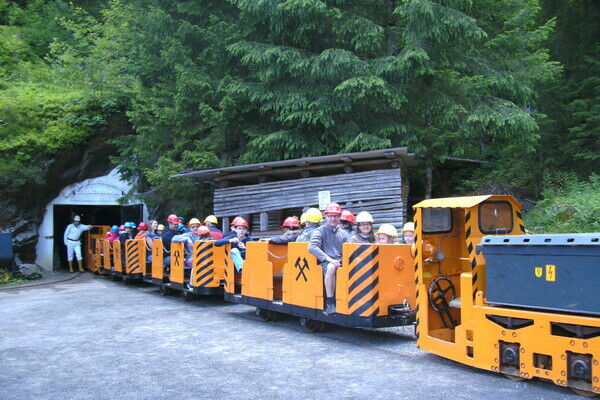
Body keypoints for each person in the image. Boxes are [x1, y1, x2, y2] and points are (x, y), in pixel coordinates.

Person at [308, 203, 348, 314]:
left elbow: (349, 248)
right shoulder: (320, 231)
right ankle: (330, 302)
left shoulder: (343, 234)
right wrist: (329, 259)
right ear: (326, 216)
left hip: (339, 262)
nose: (333, 219)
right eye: (330, 216)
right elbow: (312, 247)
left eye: (336, 216)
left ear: (339, 217)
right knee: (331, 267)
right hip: (325, 263)